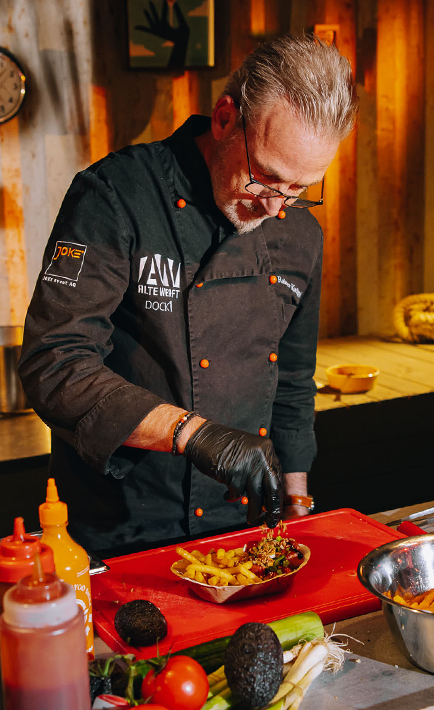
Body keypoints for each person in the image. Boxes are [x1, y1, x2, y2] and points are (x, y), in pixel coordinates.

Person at [19, 34, 358, 558]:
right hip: (120, 526)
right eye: (265, 178)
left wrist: (296, 504)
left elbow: (292, 380)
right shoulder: (116, 197)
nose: (275, 207)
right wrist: (195, 435)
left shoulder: (298, 231)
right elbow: (54, 362)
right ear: (225, 118)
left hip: (241, 530)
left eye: (300, 189)